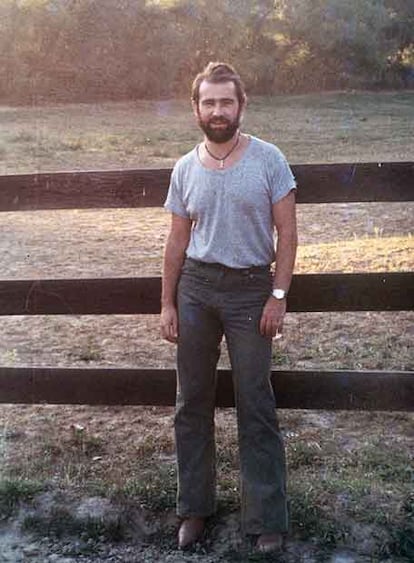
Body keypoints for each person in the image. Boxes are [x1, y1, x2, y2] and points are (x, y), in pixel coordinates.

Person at [160, 61, 297, 553]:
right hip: (196, 290)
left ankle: (266, 517)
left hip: (249, 294)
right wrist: (168, 303)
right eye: (209, 102)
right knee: (190, 402)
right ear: (196, 108)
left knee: (255, 402)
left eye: (227, 101)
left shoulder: (269, 160)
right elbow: (176, 241)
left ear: (242, 106)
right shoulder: (184, 167)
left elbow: (288, 234)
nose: (218, 111)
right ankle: (194, 509)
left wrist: (277, 296)